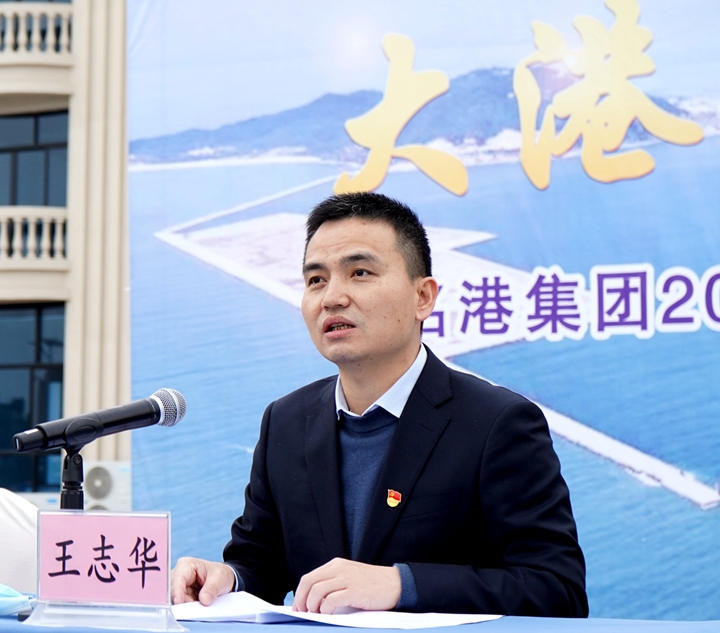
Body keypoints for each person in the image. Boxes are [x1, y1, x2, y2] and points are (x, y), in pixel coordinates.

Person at [171, 192, 588, 617]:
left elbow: (557, 590)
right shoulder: (287, 421)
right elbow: (261, 563)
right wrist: (228, 579)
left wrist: (402, 585)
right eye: (316, 280)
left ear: (423, 297)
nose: (332, 297)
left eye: (360, 273)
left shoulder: (497, 423)